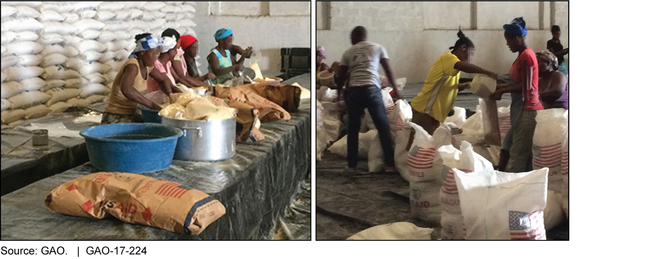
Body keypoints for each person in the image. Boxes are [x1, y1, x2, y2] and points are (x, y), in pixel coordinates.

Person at [335, 26, 402, 173]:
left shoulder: (348, 52)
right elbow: (388, 69)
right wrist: (396, 90)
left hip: (355, 92)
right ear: (365, 36)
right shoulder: (378, 48)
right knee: (382, 126)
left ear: (353, 38)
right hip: (372, 90)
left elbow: (340, 76)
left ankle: (351, 165)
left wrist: (339, 94)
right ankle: (390, 164)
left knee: (353, 128)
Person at [409, 28, 498, 138]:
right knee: (426, 147)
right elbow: (464, 66)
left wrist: (467, 85)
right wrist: (487, 72)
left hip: (430, 113)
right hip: (425, 111)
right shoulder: (448, 58)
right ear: (463, 48)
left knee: (421, 147)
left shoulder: (452, 67)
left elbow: (449, 88)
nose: (470, 58)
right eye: (471, 53)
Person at [490, 17, 544, 172]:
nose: (508, 44)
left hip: (528, 109)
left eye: (509, 40)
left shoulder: (527, 56)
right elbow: (517, 83)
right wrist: (498, 87)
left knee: (518, 154)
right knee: (513, 147)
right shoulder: (521, 56)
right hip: (521, 108)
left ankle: (514, 186)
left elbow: (526, 87)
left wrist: (501, 90)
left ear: (517, 38)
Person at [103, 33, 171, 124]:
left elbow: (163, 80)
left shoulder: (148, 66)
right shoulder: (132, 66)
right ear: (142, 52)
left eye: (157, 54)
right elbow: (127, 90)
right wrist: (151, 105)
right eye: (154, 54)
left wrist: (173, 96)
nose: (156, 58)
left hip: (134, 113)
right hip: (117, 116)